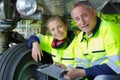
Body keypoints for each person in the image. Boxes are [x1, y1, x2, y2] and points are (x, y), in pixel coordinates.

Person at [60, 1, 120, 80]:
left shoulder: (109, 29)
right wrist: (73, 72)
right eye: (77, 19)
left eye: (84, 16)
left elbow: (117, 66)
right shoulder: (80, 37)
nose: (82, 22)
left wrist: (82, 72)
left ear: (94, 13)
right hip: (93, 74)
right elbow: (82, 63)